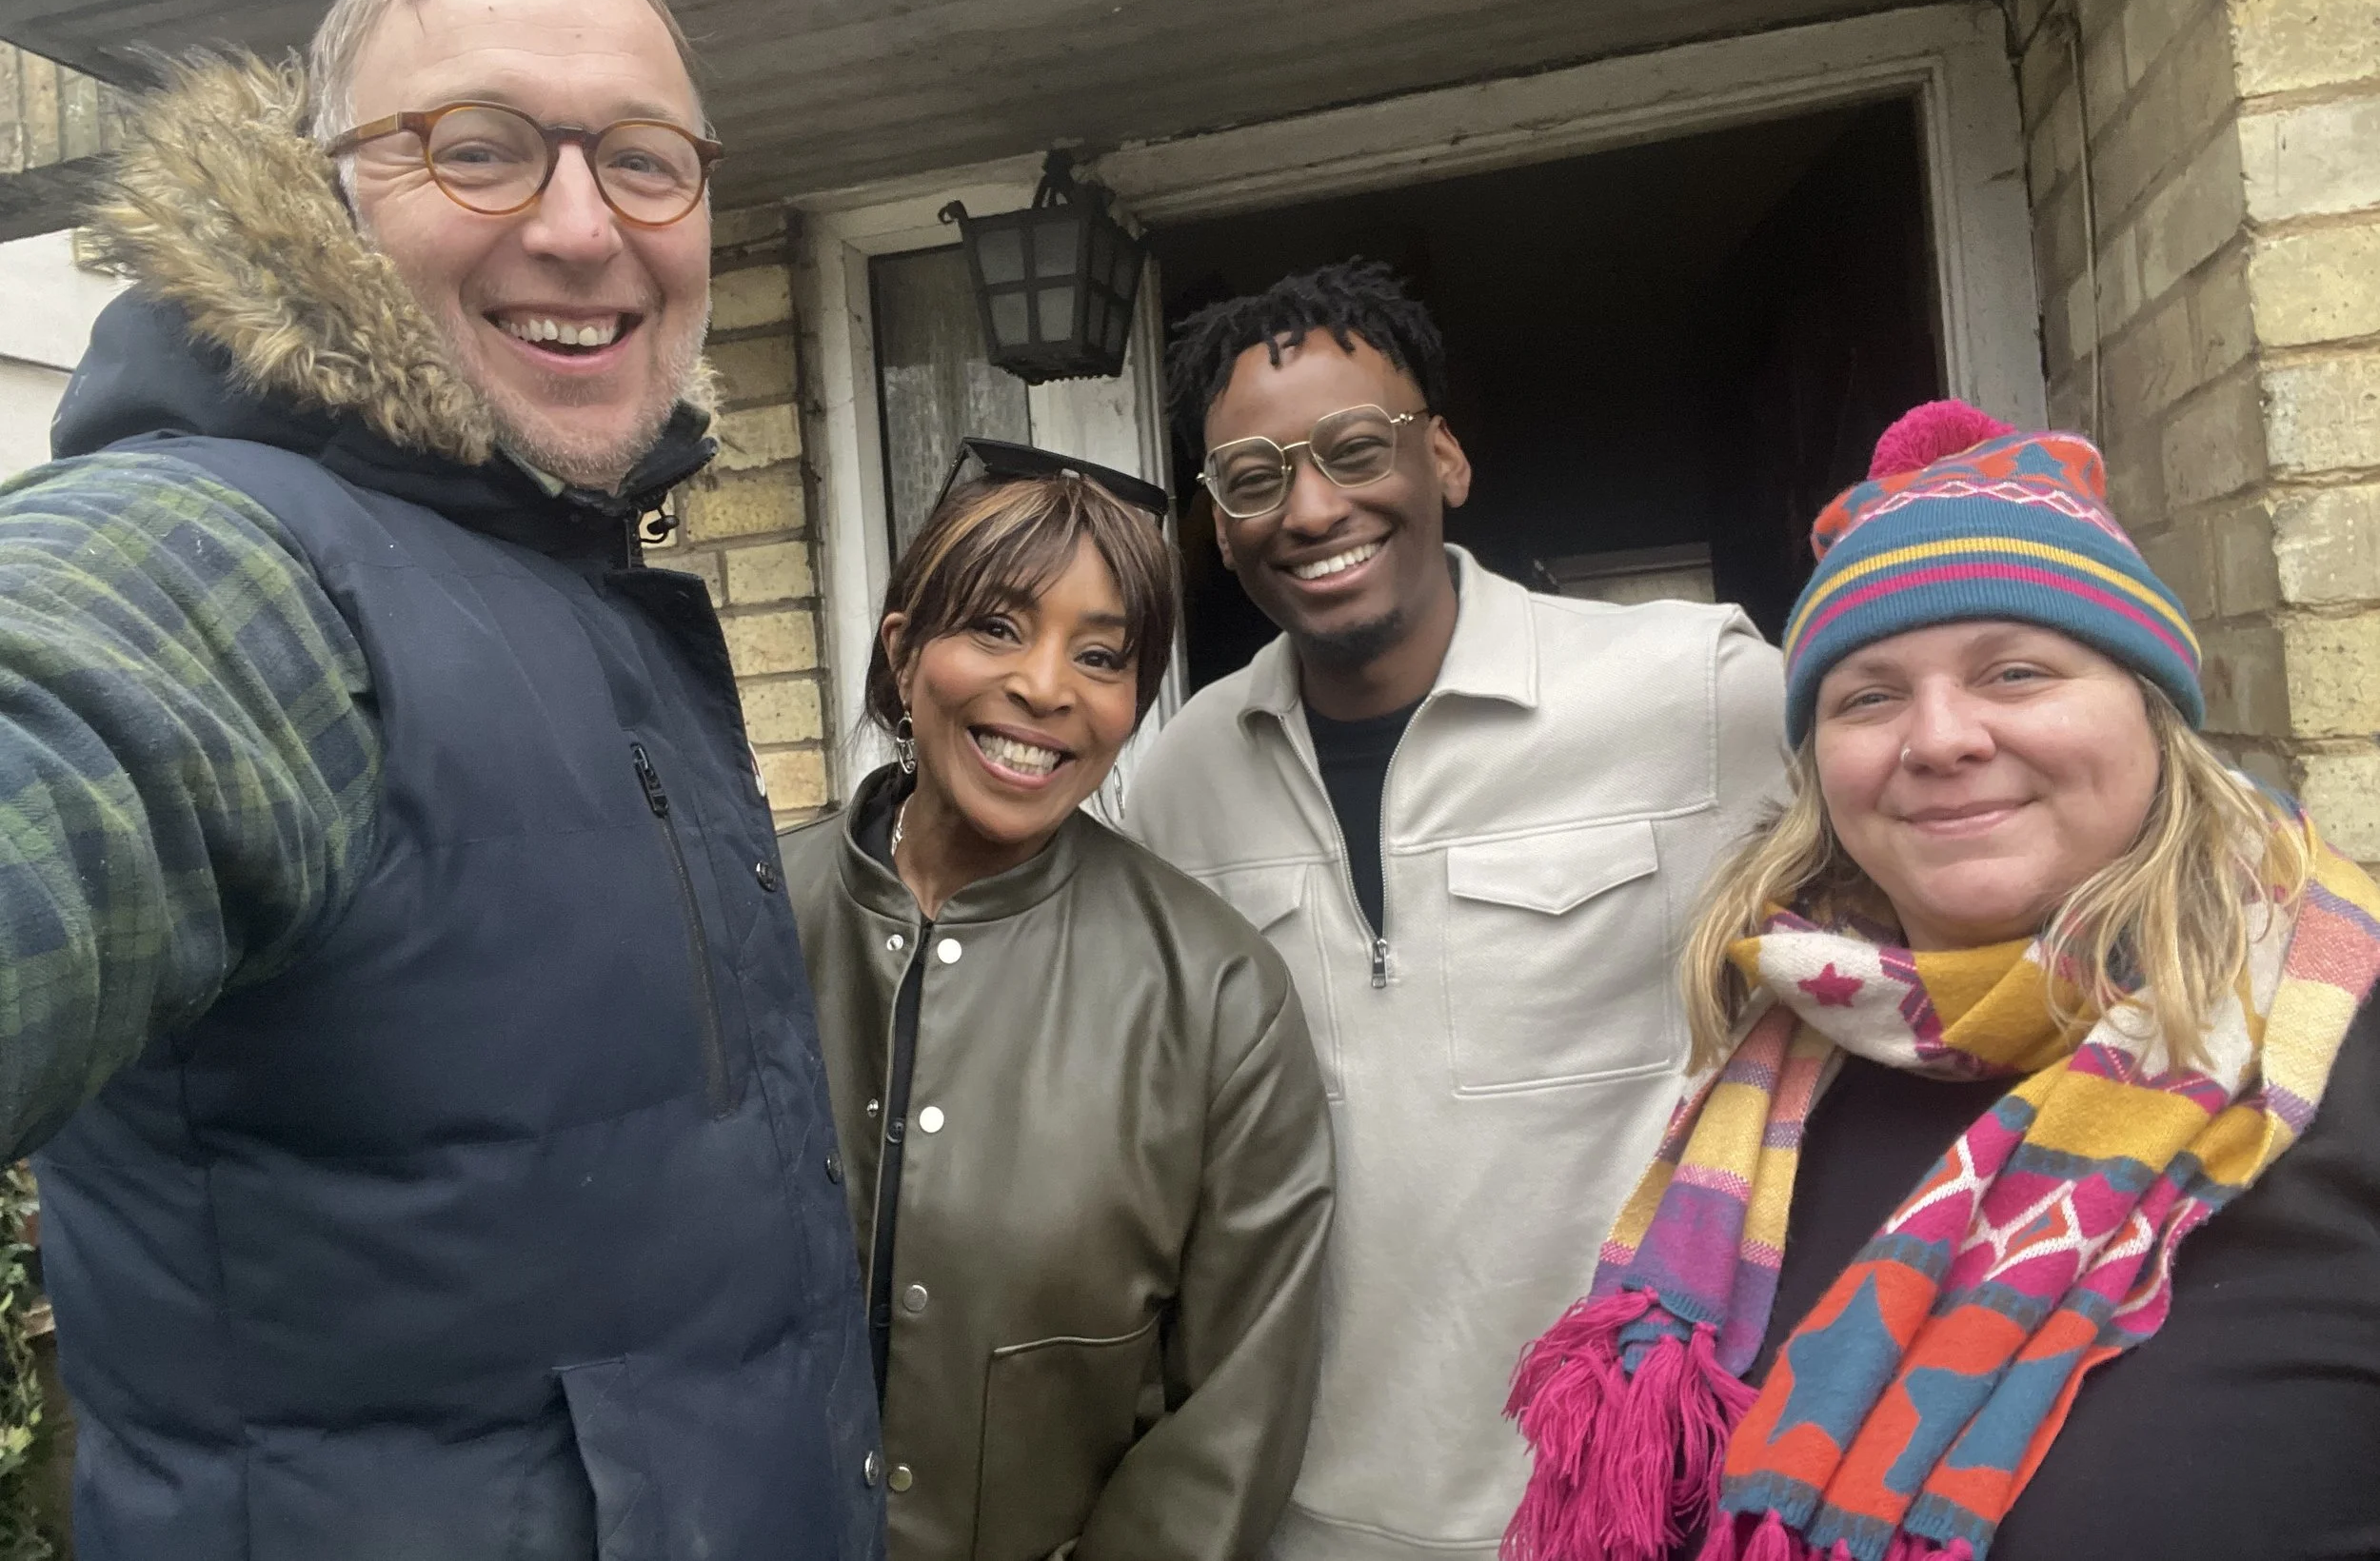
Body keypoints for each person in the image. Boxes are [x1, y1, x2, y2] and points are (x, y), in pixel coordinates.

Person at [2, 0, 881, 1558]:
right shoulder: (235, 553)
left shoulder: (570, 580)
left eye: (643, 160)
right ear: (319, 196)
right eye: (477, 150)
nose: (576, 226)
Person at [1507, 401, 2380, 1561]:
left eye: (2015, 672)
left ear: (2151, 712)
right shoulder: (1773, 1075)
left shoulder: (2346, 1056)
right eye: (1867, 695)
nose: (1938, 737)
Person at [1121, 262, 1789, 1561]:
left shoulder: (1697, 693)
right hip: (1300, 1504)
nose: (1311, 507)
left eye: (1354, 448)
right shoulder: (1181, 775)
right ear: (1216, 520)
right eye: (1253, 478)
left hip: (1629, 1501)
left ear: (1444, 458)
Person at [781, 440, 1335, 1561]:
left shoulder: (1217, 996)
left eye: (1100, 654)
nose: (1043, 687)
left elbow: (1236, 1410)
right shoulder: (744, 921)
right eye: (994, 627)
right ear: (901, 654)